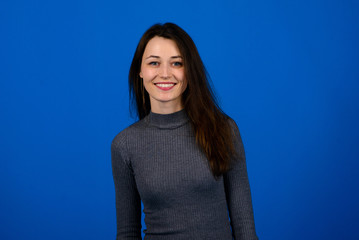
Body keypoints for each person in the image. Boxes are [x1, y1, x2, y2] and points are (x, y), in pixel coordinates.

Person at [111, 22, 258, 240]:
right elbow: (127, 232)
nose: (165, 73)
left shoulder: (224, 130)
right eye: (154, 63)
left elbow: (244, 226)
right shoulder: (124, 145)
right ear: (140, 71)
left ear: (189, 71)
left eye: (177, 63)